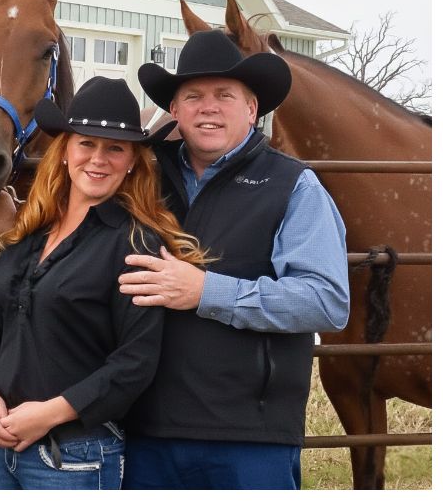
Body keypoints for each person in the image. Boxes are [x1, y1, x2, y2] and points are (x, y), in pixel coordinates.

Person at [118, 29, 350, 490]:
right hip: (145, 430)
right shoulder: (141, 176)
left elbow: (325, 301)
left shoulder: (293, 186)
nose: (208, 107)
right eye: (193, 96)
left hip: (250, 437)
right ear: (176, 111)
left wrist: (206, 291)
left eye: (225, 95)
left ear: (252, 108)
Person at [0, 76, 208, 490]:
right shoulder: (30, 234)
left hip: (72, 455)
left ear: (132, 160)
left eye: (115, 148)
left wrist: (50, 413)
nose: (98, 158)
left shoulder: (135, 243)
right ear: (64, 152)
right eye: (86, 144)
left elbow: (135, 363)